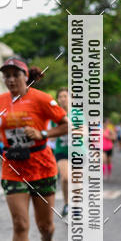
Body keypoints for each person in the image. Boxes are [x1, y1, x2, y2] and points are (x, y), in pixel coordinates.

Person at [0, 57, 68, 241]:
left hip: (42, 167)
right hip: (13, 168)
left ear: (26, 77)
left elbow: (67, 125)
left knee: (44, 226)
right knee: (20, 224)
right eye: (7, 75)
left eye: (16, 74)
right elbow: (1, 131)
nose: (11, 79)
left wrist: (42, 132)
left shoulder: (43, 99)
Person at [51, 87, 70, 216]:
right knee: (65, 178)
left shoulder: (78, 114)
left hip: (78, 151)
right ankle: (67, 203)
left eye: (65, 96)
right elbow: (52, 135)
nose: (63, 98)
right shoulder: (55, 116)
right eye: (60, 96)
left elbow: (85, 132)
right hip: (61, 150)